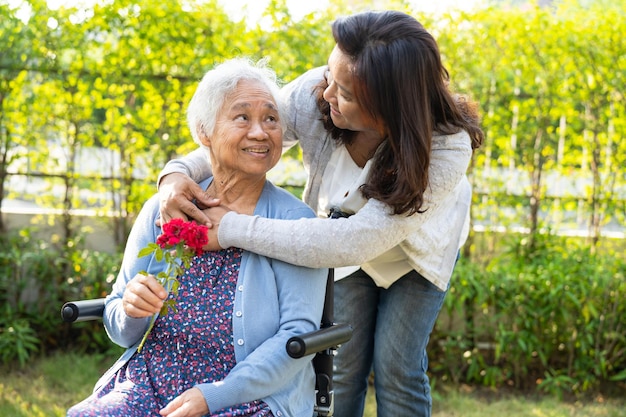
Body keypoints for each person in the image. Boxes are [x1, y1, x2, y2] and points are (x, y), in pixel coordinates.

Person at [158, 10, 483, 417]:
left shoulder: (446, 146)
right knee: (340, 363)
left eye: (344, 93)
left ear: (388, 109)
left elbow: (355, 241)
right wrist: (176, 173)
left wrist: (232, 229)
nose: (327, 92)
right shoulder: (318, 92)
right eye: (330, 75)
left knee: (396, 367)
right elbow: (244, 128)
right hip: (333, 242)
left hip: (414, 253)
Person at [67, 58, 328, 417]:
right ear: (204, 133)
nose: (261, 132)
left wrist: (215, 395)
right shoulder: (167, 207)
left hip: (247, 394)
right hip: (151, 380)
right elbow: (119, 322)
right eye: (242, 117)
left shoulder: (292, 222)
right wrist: (130, 310)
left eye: (271, 119)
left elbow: (295, 334)